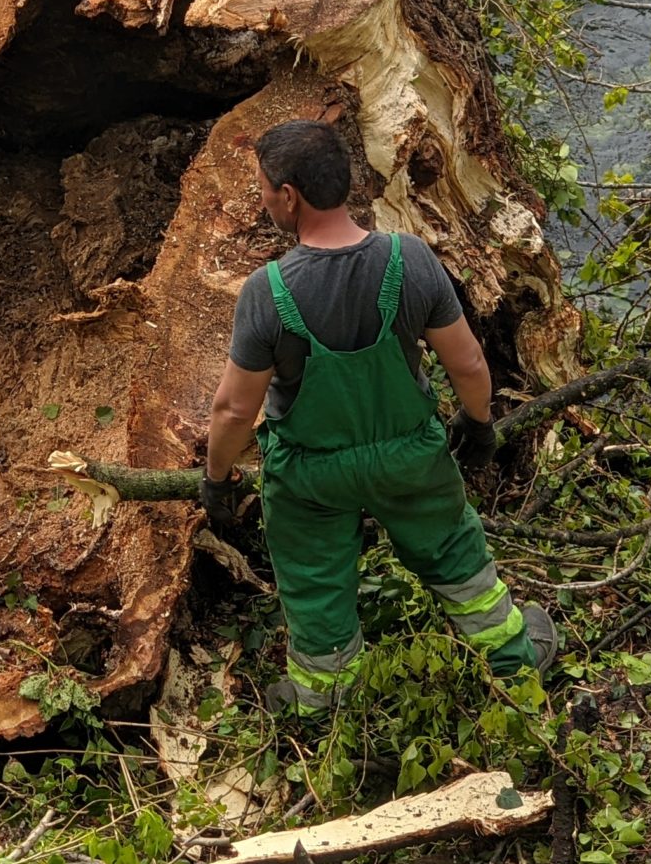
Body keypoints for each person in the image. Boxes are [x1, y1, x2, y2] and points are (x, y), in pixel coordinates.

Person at [204, 119, 552, 712]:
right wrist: (477, 424)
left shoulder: (268, 291)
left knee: (315, 580)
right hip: (410, 456)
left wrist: (216, 481)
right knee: (452, 551)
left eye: (264, 188)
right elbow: (467, 362)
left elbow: (235, 408)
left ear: (289, 195)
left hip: (312, 475)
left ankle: (325, 695)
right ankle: (514, 656)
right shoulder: (409, 259)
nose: (263, 200)